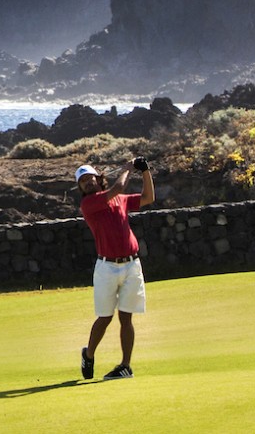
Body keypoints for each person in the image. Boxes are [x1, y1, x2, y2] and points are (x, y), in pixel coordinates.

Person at [76, 159, 155, 380]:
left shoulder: (119, 200)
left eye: (89, 177)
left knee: (126, 318)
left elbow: (148, 198)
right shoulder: (89, 204)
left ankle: (125, 366)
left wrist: (145, 172)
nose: (87, 183)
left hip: (131, 265)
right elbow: (119, 187)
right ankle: (89, 354)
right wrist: (128, 169)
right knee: (105, 317)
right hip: (106, 267)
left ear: (98, 178)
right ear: (80, 188)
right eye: (82, 182)